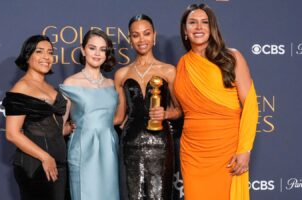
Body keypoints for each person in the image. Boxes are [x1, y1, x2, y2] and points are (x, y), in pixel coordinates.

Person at [174, 4, 259, 200]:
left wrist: (245, 149)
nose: (198, 27)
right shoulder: (183, 64)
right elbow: (184, 108)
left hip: (226, 150)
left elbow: (250, 105)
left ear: (212, 28)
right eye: (192, 23)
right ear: (185, 30)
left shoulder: (232, 57)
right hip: (192, 153)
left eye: (204, 22)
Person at [114, 14, 182, 200]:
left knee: (159, 195)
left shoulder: (169, 70)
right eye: (135, 35)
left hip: (160, 142)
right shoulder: (121, 74)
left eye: (146, 34)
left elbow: (180, 110)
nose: (141, 39)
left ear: (154, 36)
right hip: (131, 142)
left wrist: (166, 113)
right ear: (130, 39)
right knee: (133, 195)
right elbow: (119, 117)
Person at [2, 35, 72, 200]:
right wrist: (45, 157)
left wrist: (65, 129)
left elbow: (47, 127)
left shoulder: (50, 87)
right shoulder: (22, 87)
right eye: (39, 52)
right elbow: (12, 133)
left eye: (50, 52)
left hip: (57, 163)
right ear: (28, 56)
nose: (46, 57)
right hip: (35, 165)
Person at [59, 29, 119, 200]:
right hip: (83, 147)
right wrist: (68, 128)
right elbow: (60, 125)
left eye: (102, 49)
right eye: (92, 48)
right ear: (83, 50)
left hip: (109, 148)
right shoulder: (71, 83)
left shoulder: (112, 84)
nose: (97, 53)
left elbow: (117, 117)